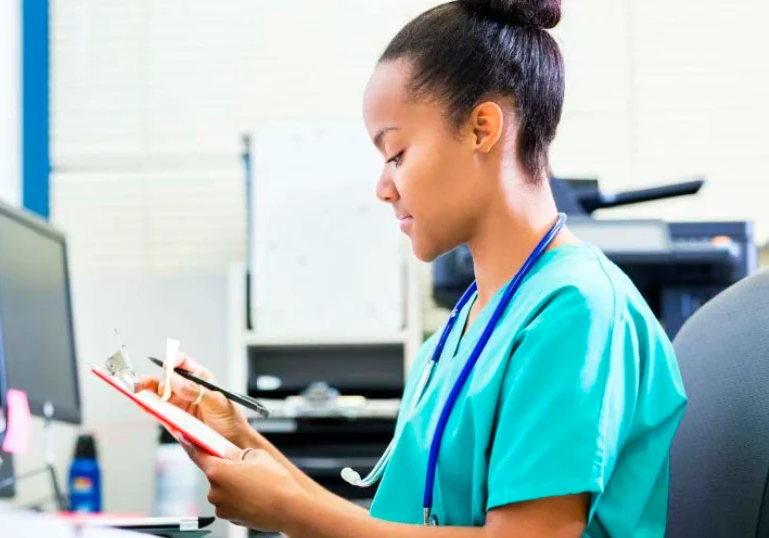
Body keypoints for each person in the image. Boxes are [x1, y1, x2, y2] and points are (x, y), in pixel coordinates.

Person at [139, 0, 687, 535]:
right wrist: (239, 440)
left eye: (395, 154)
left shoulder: (577, 313)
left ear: (482, 129)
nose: (383, 188)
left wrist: (290, 513)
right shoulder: (454, 334)